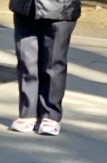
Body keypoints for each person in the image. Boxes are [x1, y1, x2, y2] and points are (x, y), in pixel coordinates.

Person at [8, 0, 81, 135]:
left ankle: (50, 115)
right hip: (25, 6)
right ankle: (28, 113)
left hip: (60, 7)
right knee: (26, 60)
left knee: (53, 62)